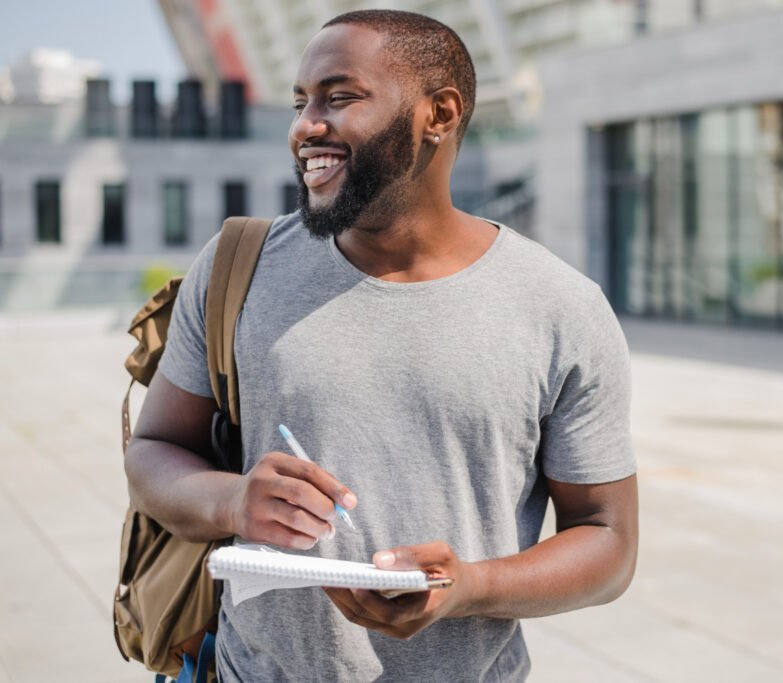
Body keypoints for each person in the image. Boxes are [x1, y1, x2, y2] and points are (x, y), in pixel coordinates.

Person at [124, 10, 638, 683]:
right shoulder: (237, 267)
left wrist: (468, 585)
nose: (306, 126)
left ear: (440, 114)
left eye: (340, 97)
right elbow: (153, 450)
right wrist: (234, 499)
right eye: (301, 102)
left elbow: (608, 541)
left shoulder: (562, 307)